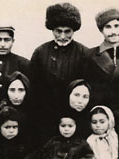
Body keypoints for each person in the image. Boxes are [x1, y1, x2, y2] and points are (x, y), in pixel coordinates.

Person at [30, 2, 88, 145]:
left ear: (74, 31)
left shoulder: (84, 53)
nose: (62, 36)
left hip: (75, 119)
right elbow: (33, 87)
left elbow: (88, 87)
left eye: (67, 31)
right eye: (58, 31)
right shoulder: (40, 52)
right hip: (46, 117)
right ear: (52, 30)